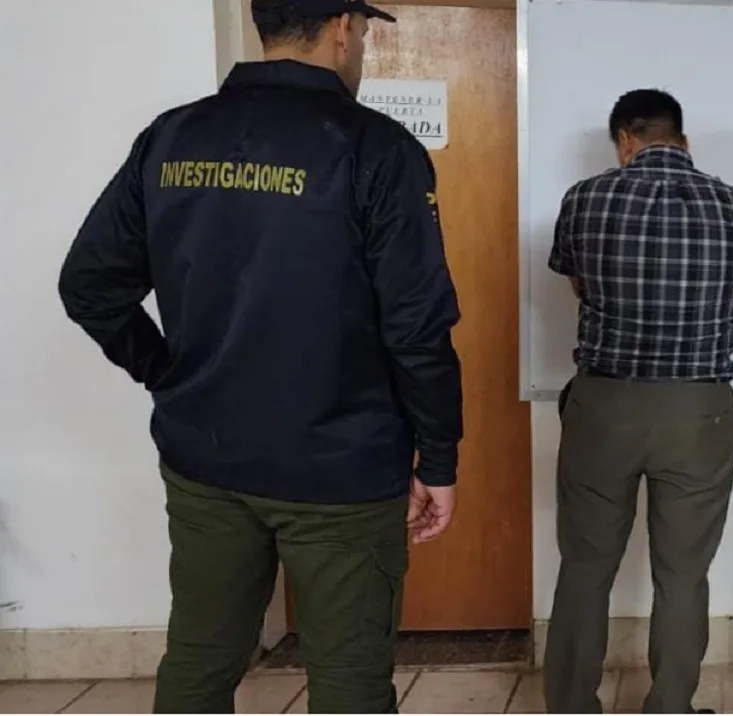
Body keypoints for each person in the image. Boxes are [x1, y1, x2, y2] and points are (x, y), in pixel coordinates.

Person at [57, 0, 463, 711]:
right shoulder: (376, 148)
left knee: (200, 658)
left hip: (205, 458)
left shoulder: (172, 136)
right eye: (365, 30)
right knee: (349, 679)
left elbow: (89, 285)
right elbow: (417, 328)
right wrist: (438, 459)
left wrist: (167, 374)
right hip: (340, 468)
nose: (362, 45)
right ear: (343, 28)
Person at [543, 88, 733, 714]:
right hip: (699, 410)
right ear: (682, 140)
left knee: (585, 568)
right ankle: (670, 706)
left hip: (604, 406)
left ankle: (571, 707)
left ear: (624, 140)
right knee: (684, 574)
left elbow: (580, 285)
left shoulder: (584, 198)